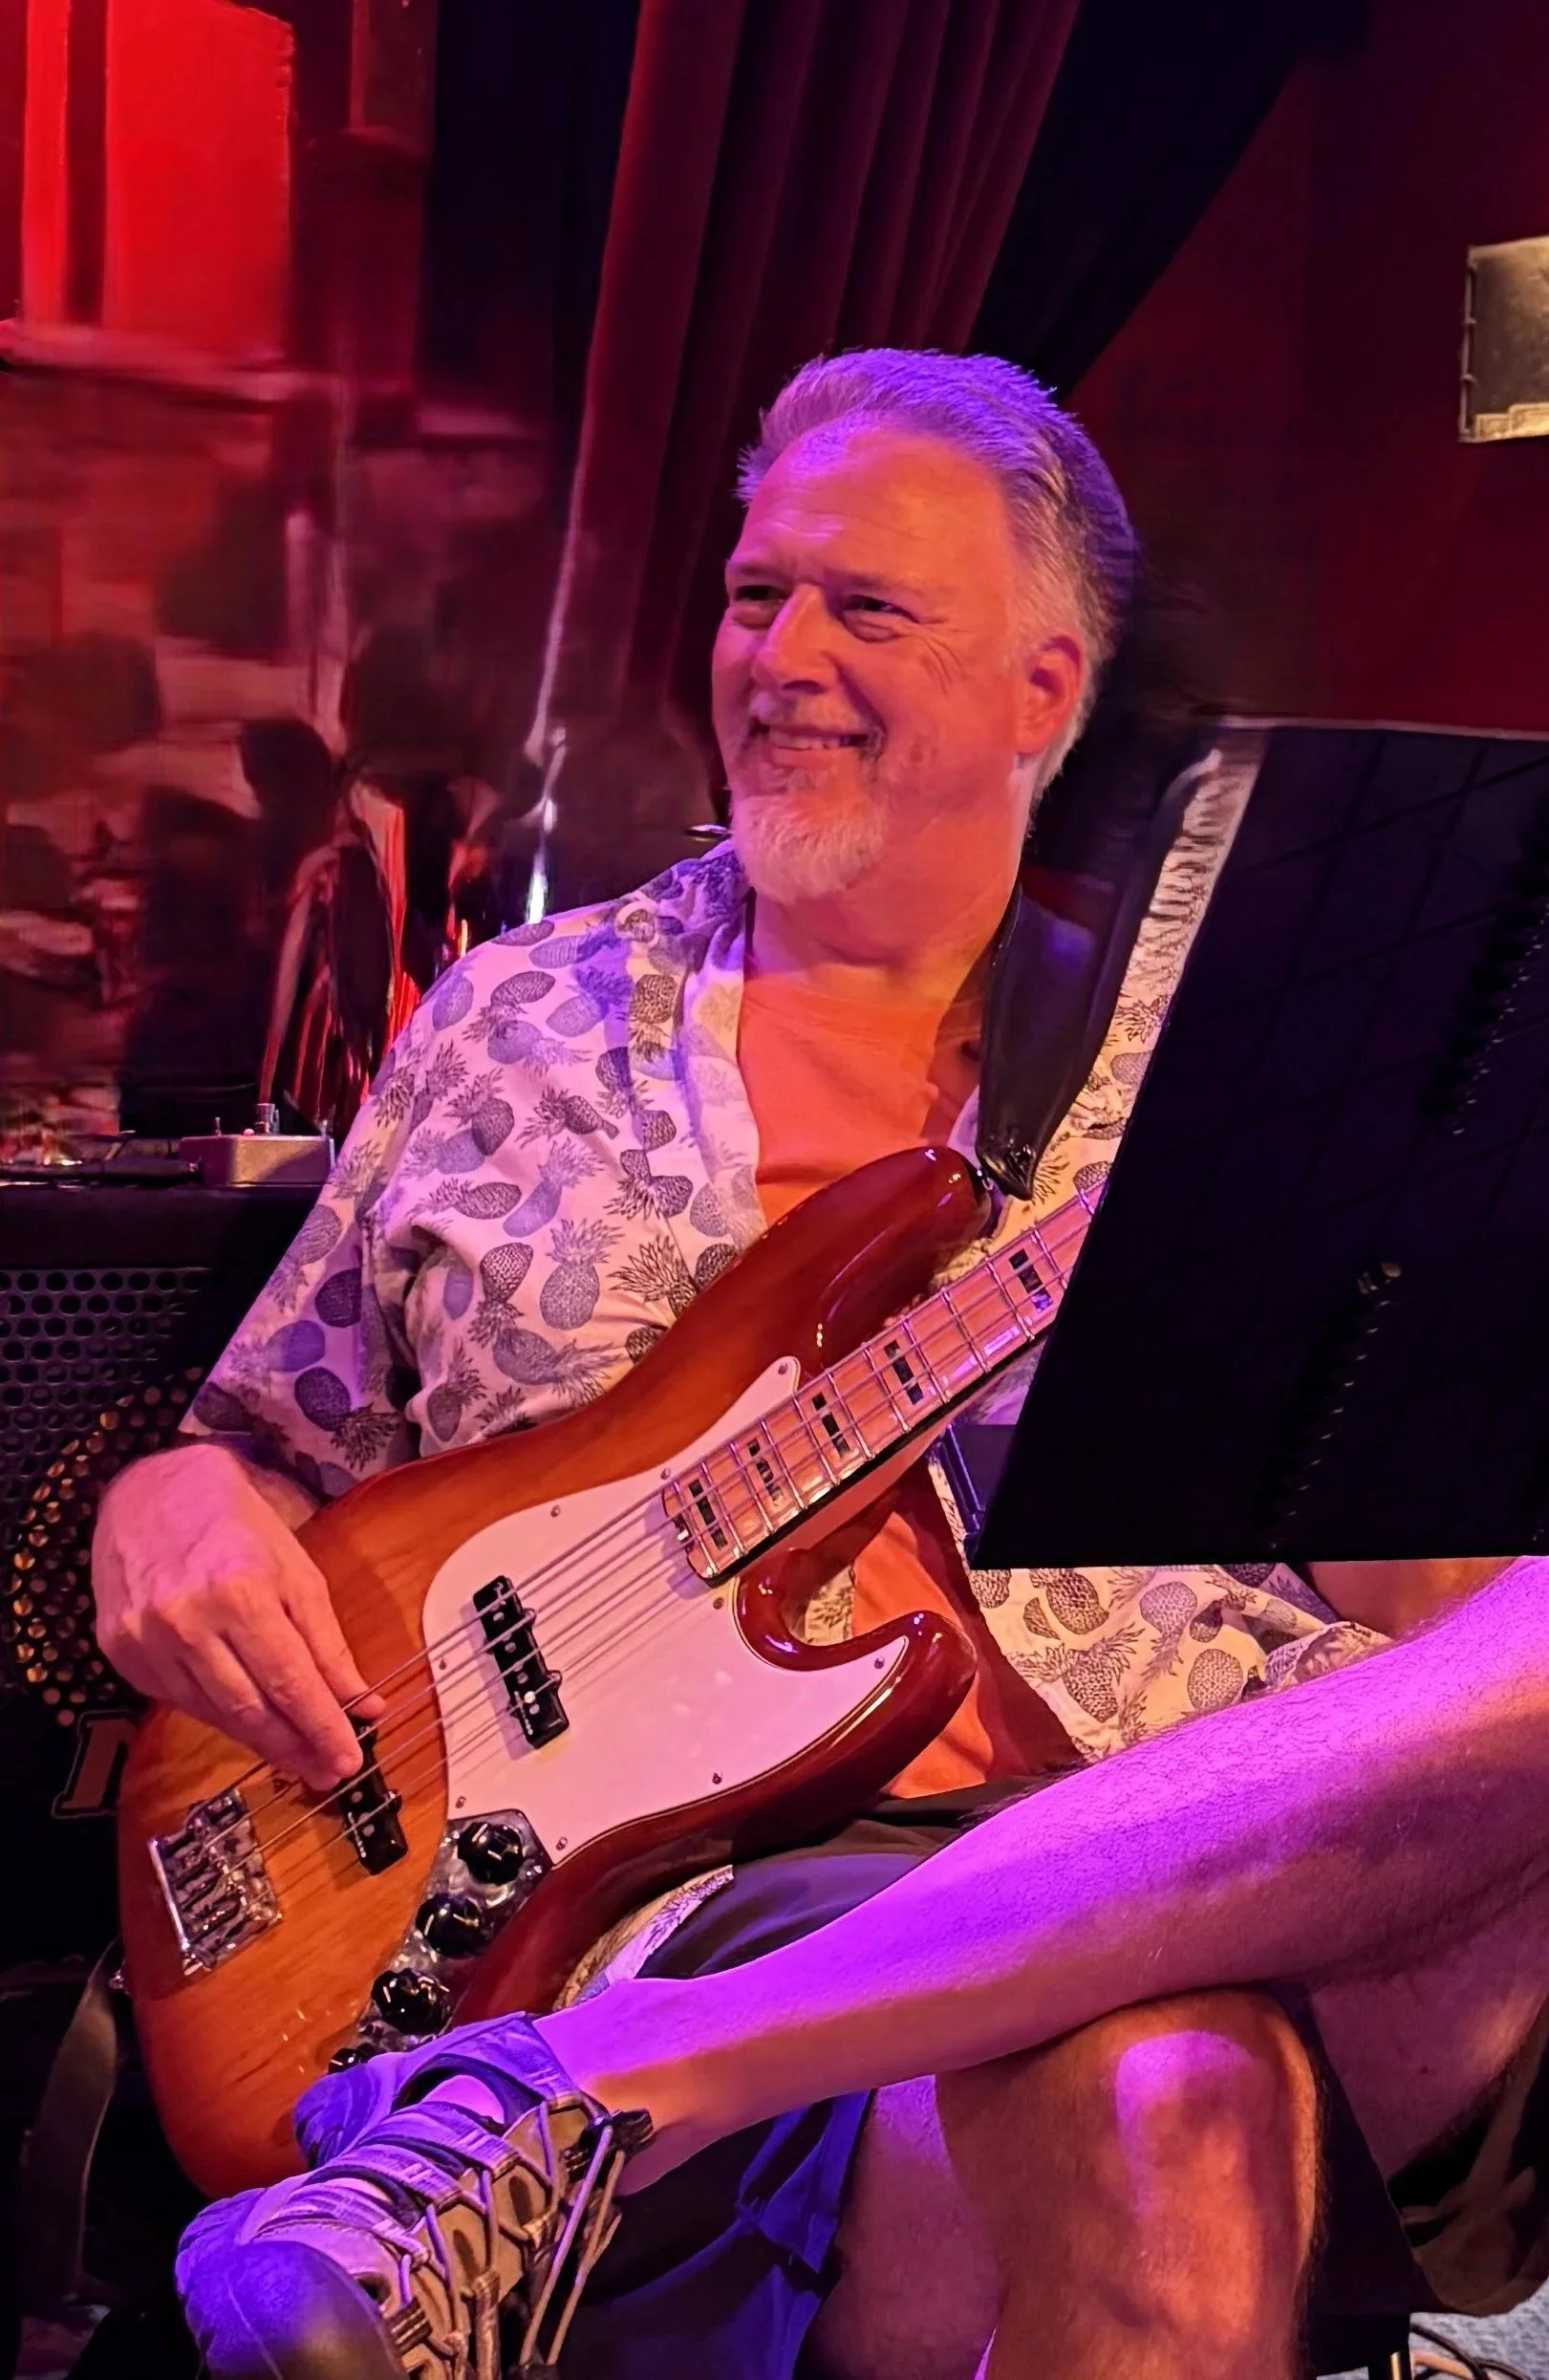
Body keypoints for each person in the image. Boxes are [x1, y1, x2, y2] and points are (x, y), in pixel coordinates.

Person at [91, 351, 1548, 2380]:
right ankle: (591, 2069)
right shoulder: (524, 1019)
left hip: (1191, 1853)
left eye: (869, 609)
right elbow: (264, 1439)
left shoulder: (1237, 1066)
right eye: (756, 594)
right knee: (1170, 2103)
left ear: (1049, 689)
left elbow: (1431, 1601)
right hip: (621, 1897)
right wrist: (168, 1501)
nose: (783, 654)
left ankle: (593, 2092)